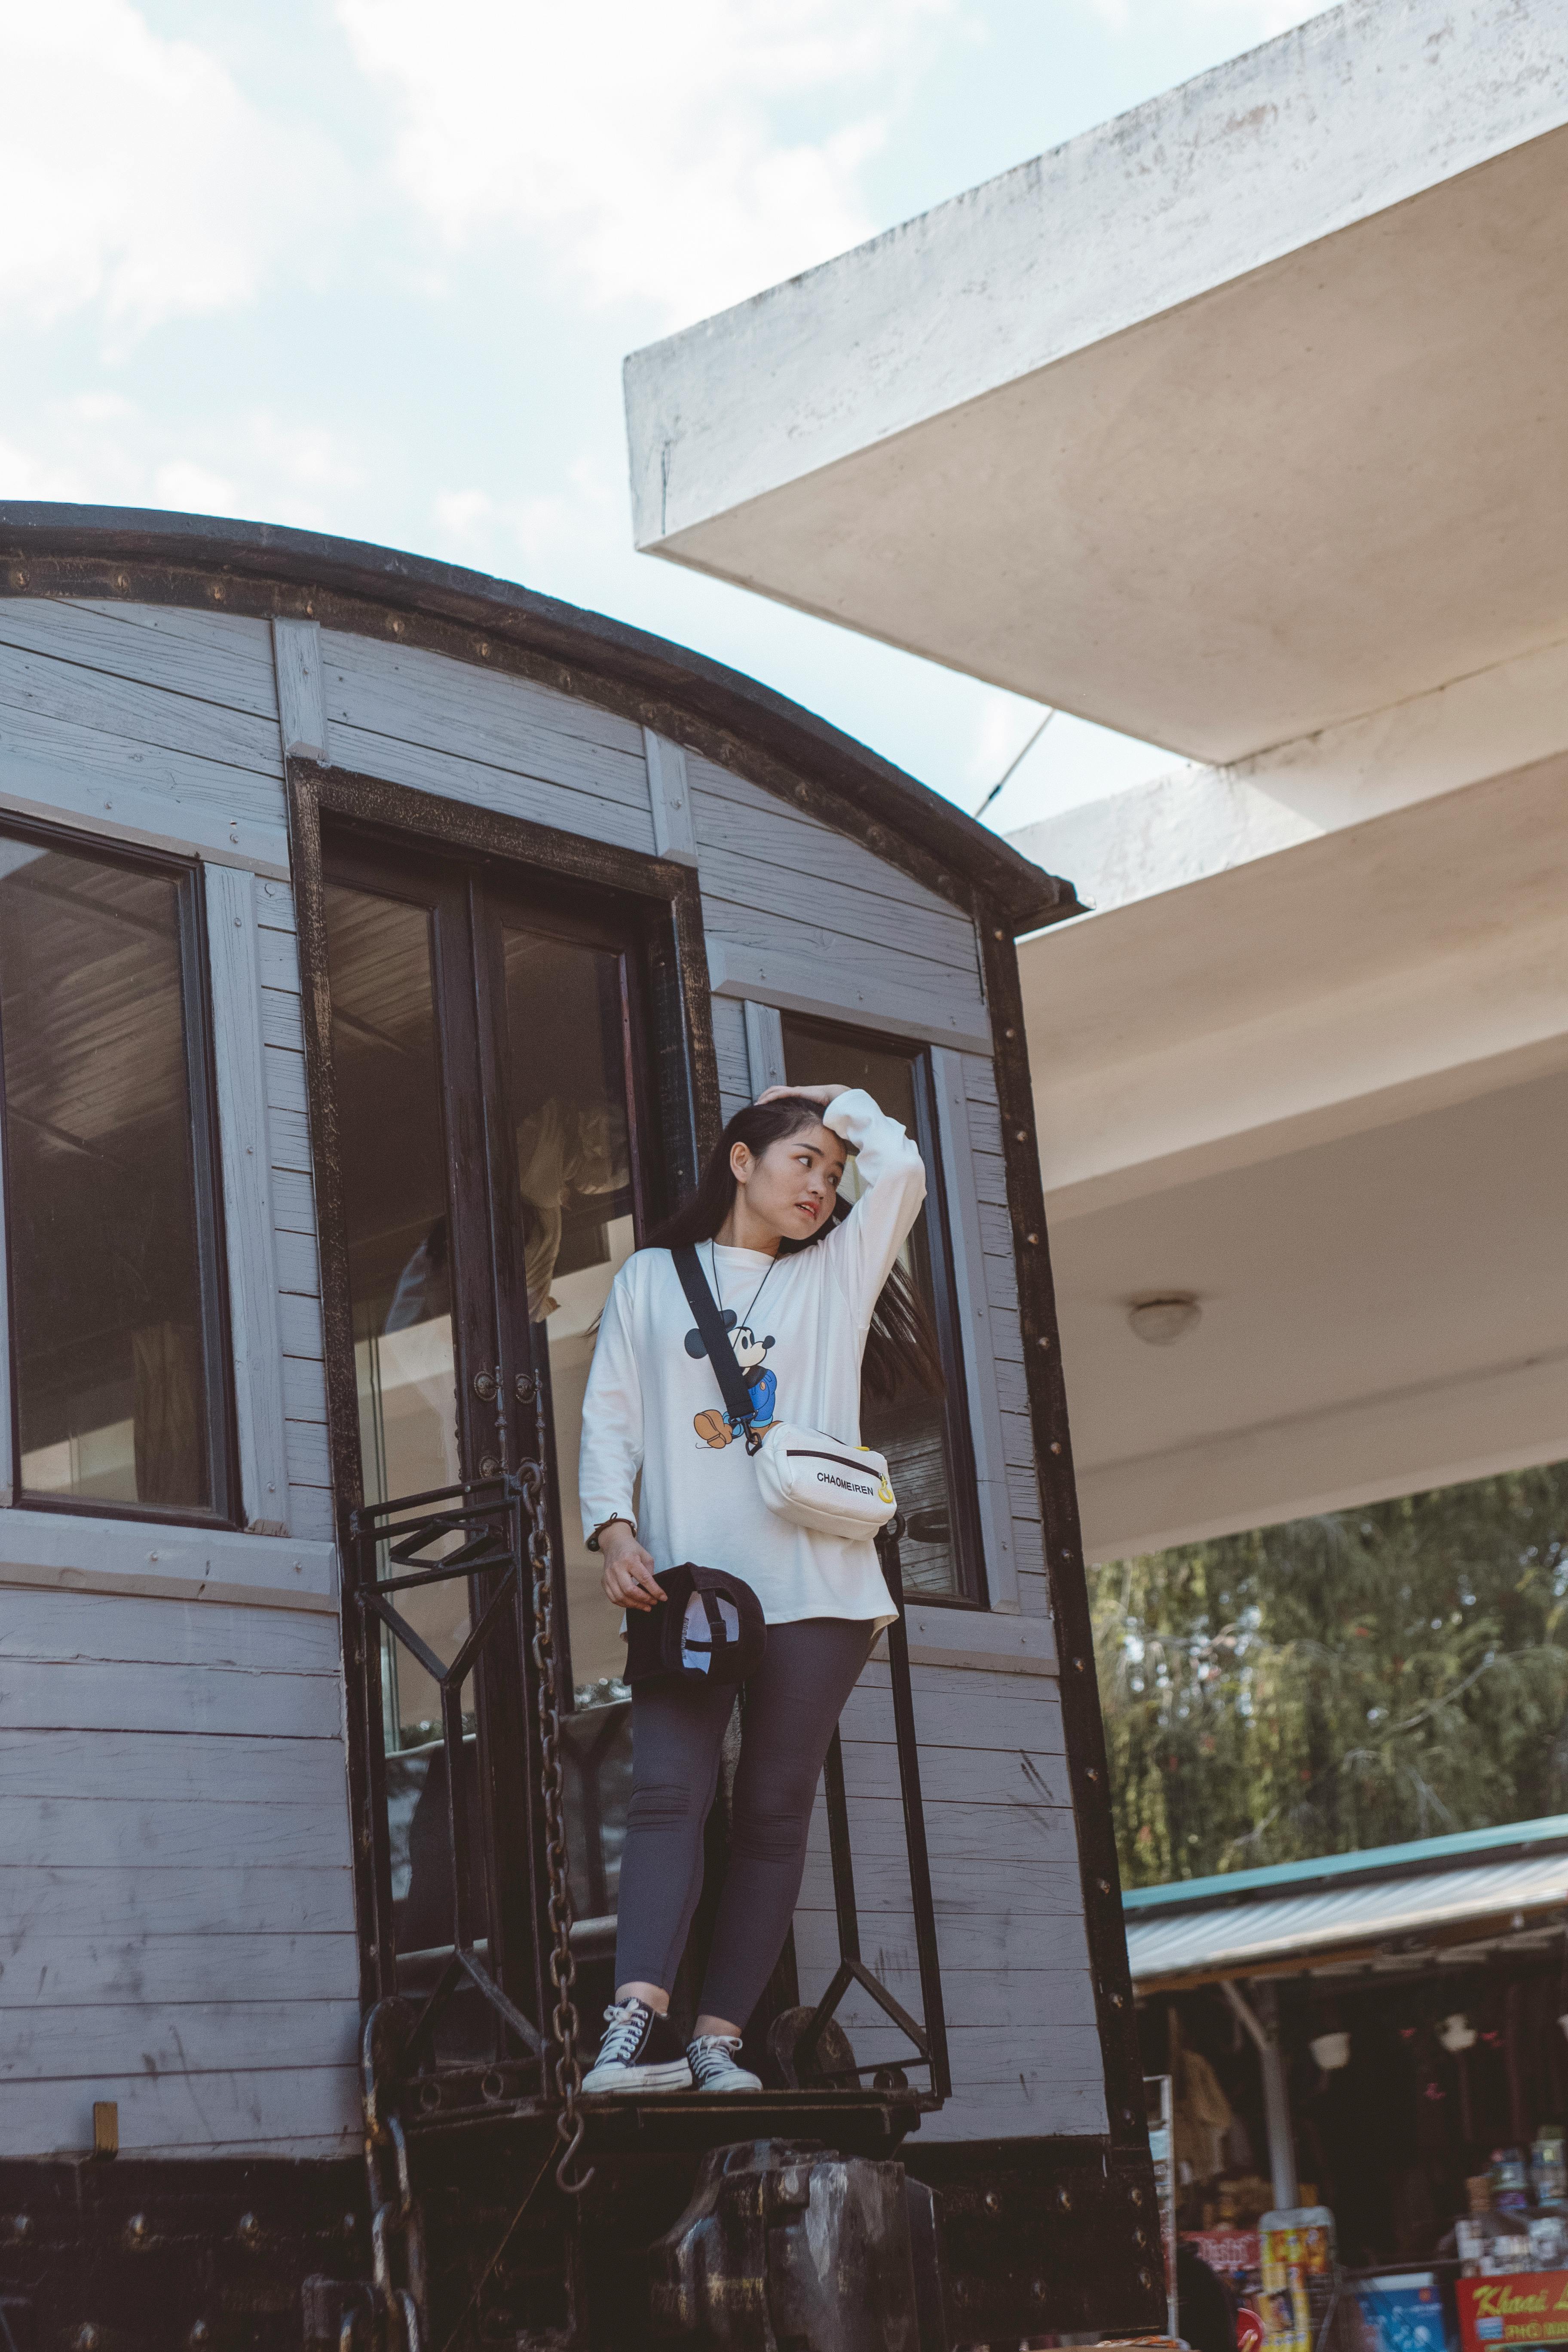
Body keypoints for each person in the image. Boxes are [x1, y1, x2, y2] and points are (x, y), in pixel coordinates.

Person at [575, 1081, 940, 2094]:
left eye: (832, 1170)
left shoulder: (834, 1275)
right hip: (694, 1586)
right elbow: (611, 1415)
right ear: (743, 1162)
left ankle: (719, 2039)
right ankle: (633, 2028)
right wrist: (614, 1532)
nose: (823, 1185)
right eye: (803, 1161)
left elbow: (901, 1172)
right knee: (666, 1797)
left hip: (820, 1588)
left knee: (775, 1812)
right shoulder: (653, 1280)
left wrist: (840, 1103)